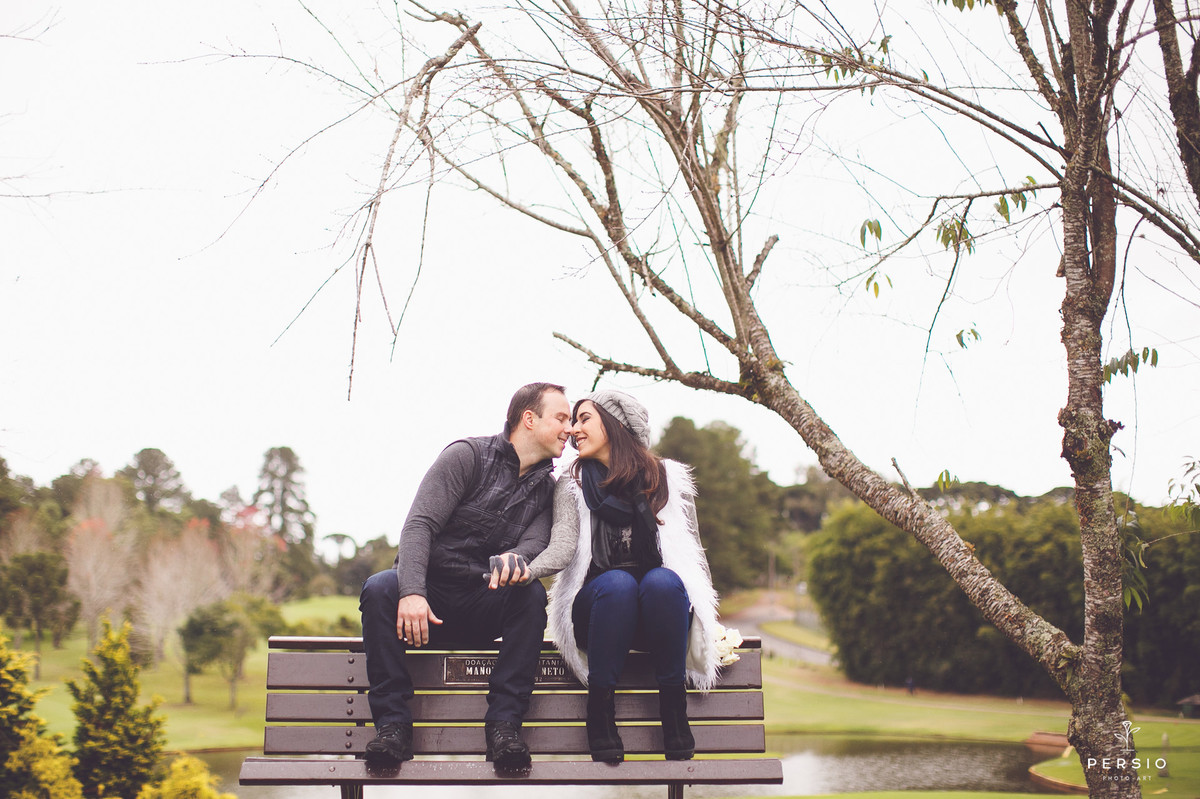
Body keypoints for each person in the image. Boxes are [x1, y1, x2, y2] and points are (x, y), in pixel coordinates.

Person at [358, 382, 571, 774]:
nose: (569, 429)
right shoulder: (467, 456)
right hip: (428, 602)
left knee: (529, 596)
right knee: (379, 588)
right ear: (529, 418)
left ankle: (504, 729)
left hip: (484, 601)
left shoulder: (548, 490)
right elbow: (418, 527)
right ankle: (393, 729)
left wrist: (516, 560)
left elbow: (536, 543)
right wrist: (412, 592)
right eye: (561, 417)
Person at [525, 389, 721, 763]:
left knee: (663, 581)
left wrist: (709, 620)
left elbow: (693, 554)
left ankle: (673, 712)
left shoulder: (666, 480)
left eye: (584, 419)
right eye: (572, 420)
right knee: (619, 583)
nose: (573, 429)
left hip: (656, 616)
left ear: (614, 425)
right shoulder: (573, 483)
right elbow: (563, 546)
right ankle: (599, 712)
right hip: (597, 614)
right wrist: (525, 570)